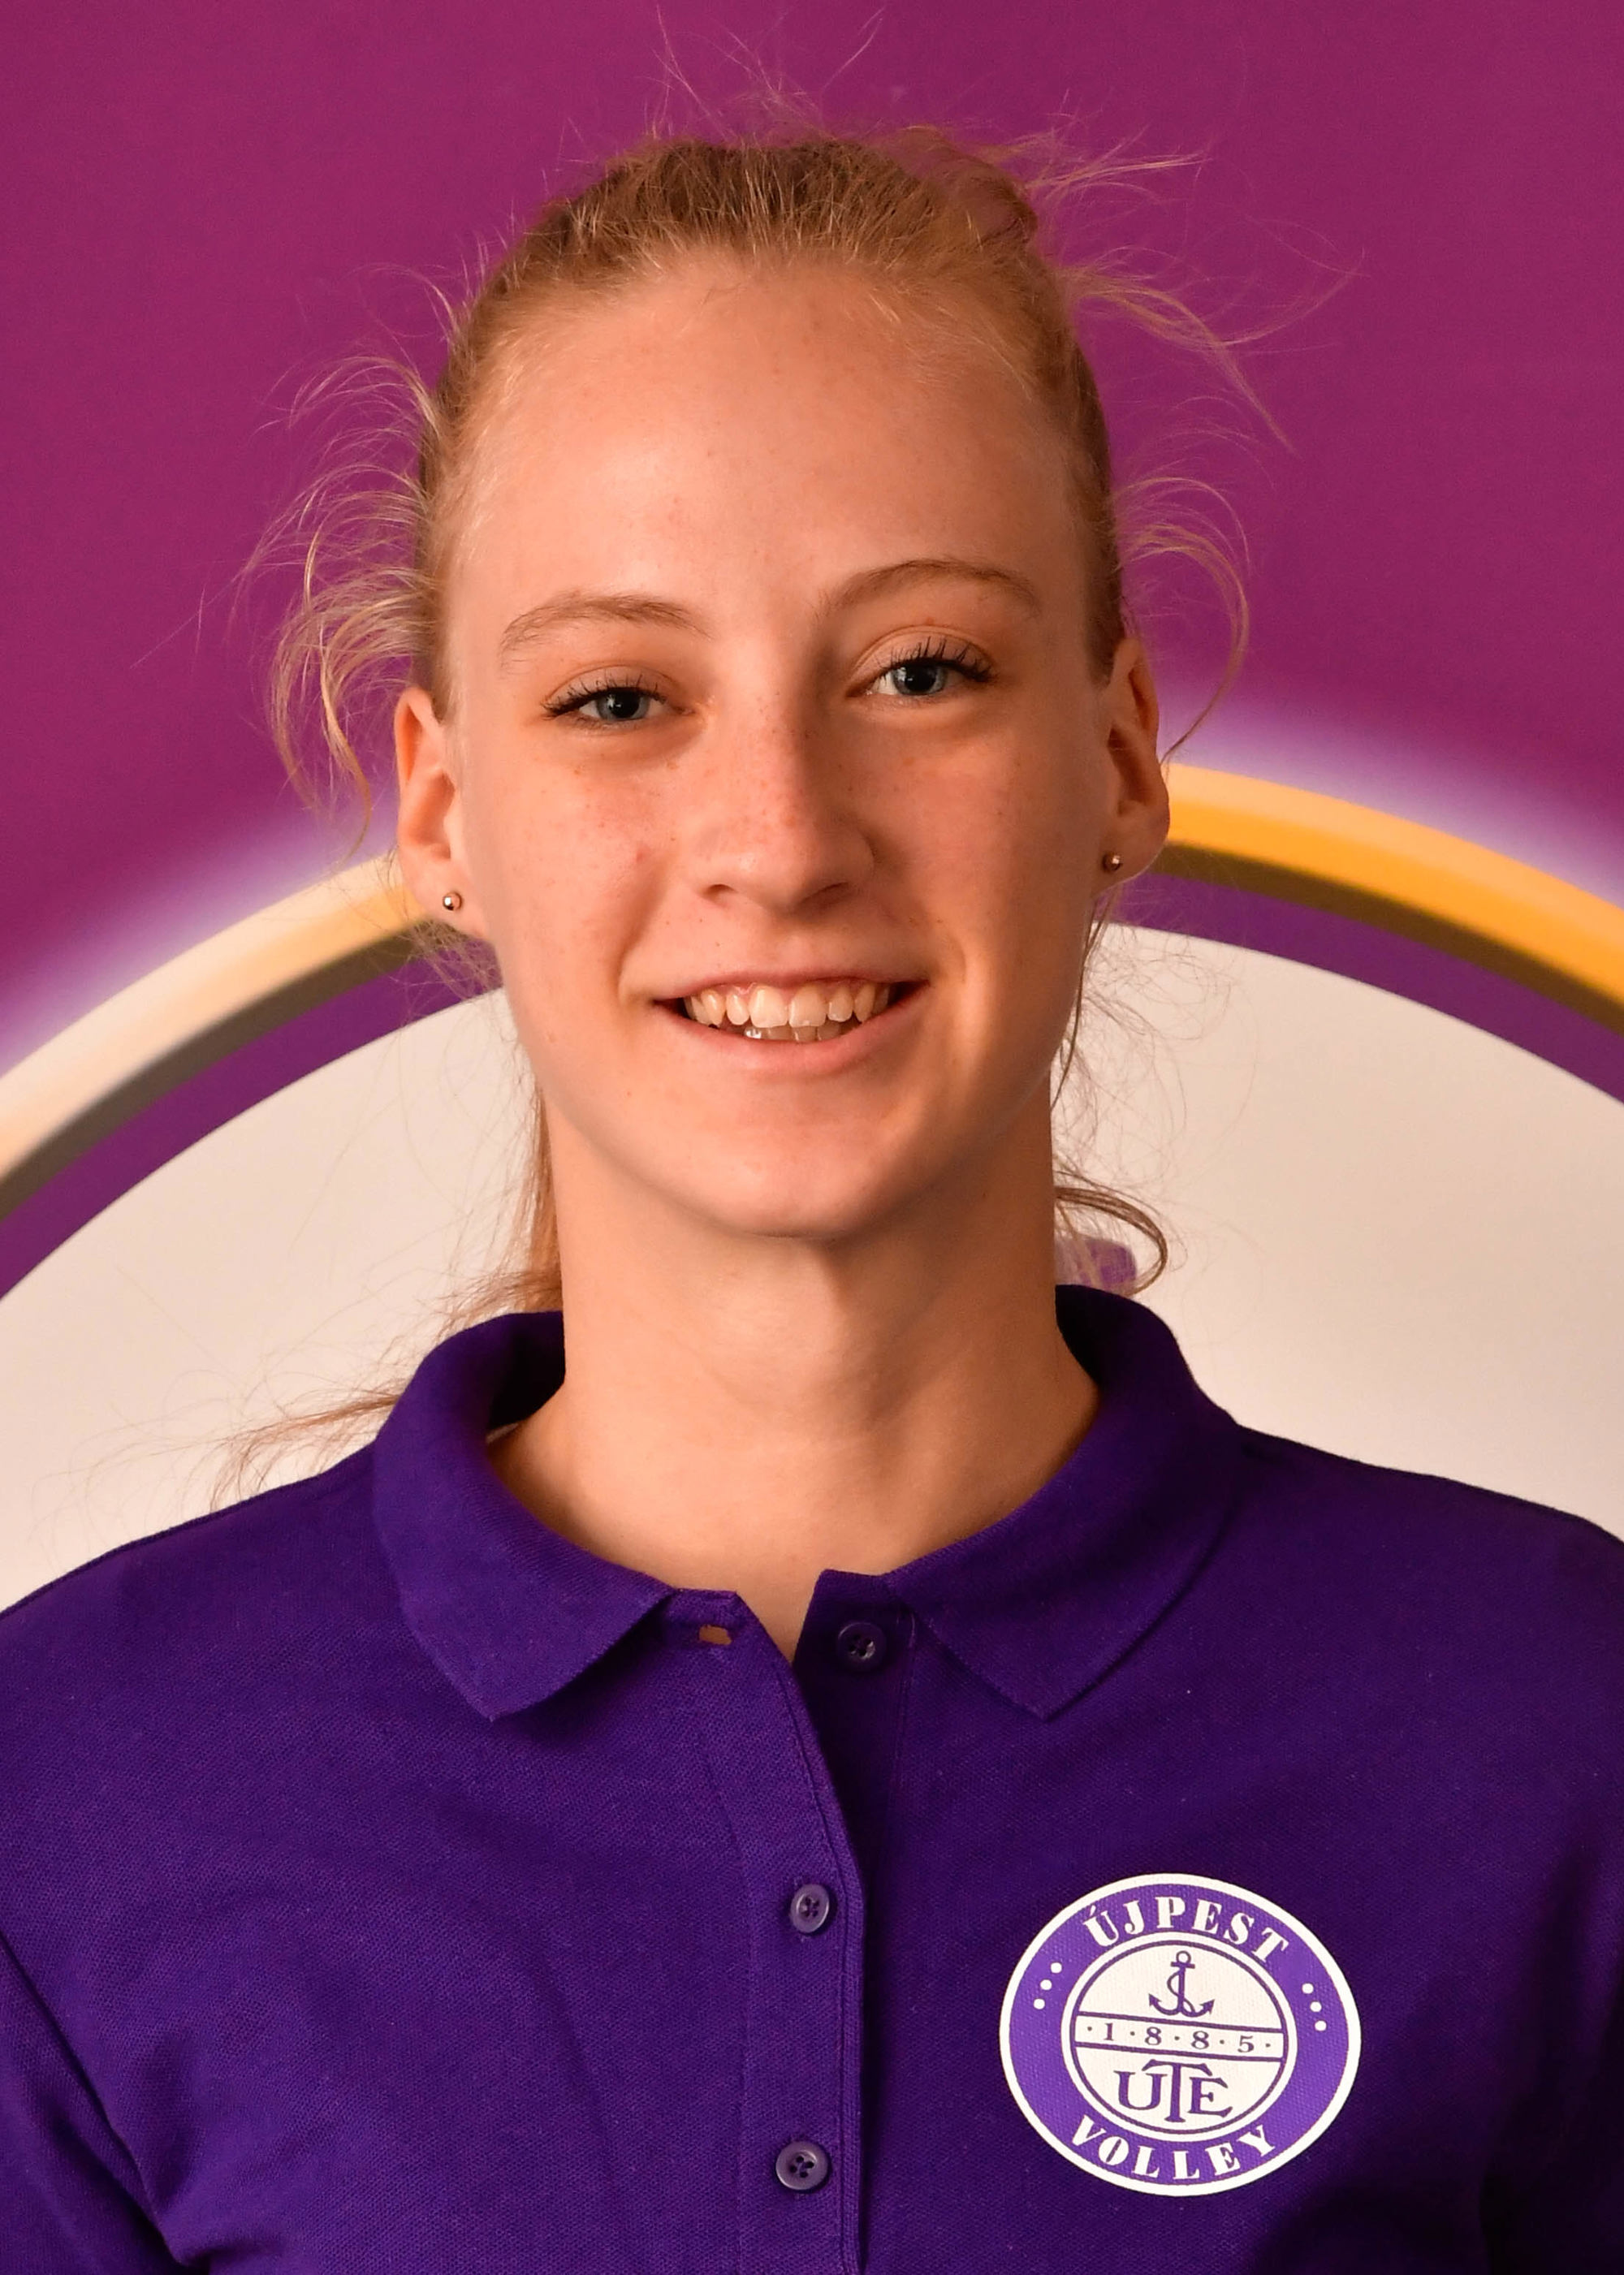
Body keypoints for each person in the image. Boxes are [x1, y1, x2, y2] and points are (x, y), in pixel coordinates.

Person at [2, 123, 1621, 2273]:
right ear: (446, 813)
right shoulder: (65, 1789)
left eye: (919, 671)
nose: (777, 836)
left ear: (1119, 754)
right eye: (619, 698)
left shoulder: (1557, 1725)